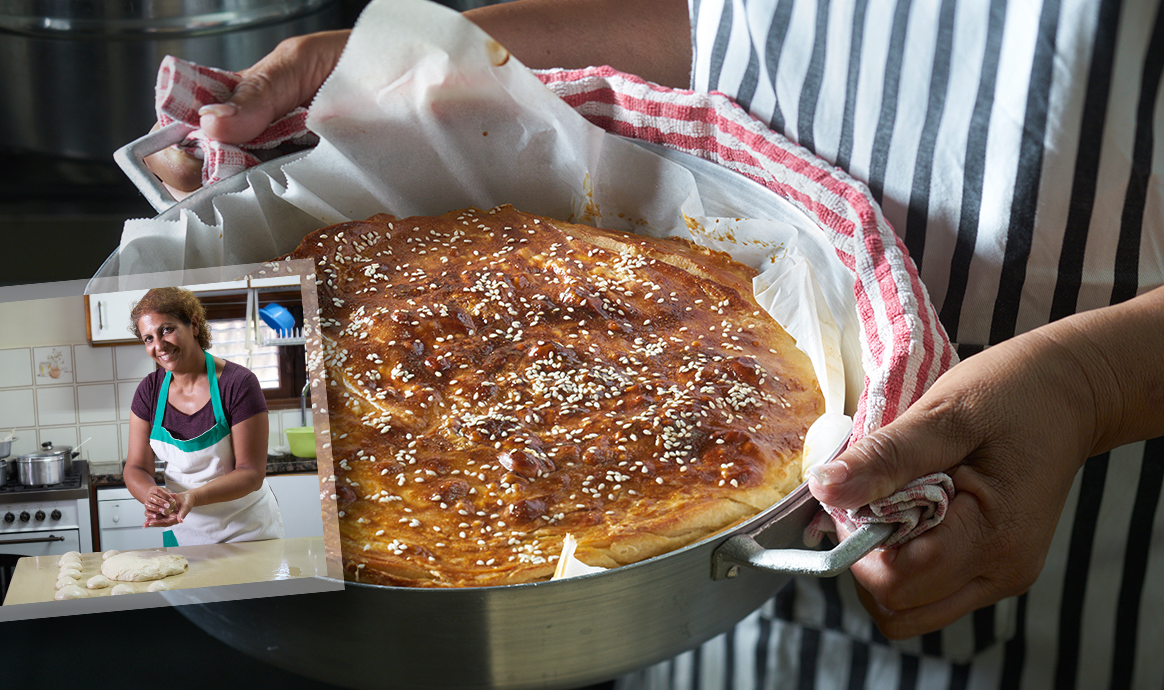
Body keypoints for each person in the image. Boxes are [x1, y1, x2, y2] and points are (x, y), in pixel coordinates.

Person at [145, 0, 1164, 687]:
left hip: (1089, 567)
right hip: (697, 610)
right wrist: (415, 66)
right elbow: (728, 24)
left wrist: (1094, 382)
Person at [124, 287, 285, 546]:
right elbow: (136, 468)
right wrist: (151, 494)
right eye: (148, 338)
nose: (159, 345)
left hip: (247, 530)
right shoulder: (149, 391)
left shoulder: (238, 383)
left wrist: (193, 497)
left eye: (167, 329)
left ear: (195, 324)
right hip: (184, 529)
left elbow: (251, 473)